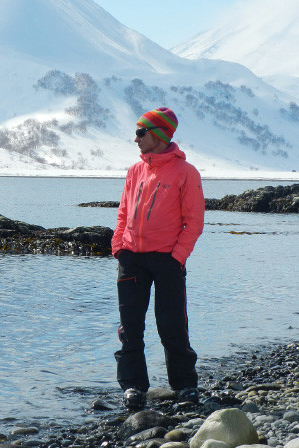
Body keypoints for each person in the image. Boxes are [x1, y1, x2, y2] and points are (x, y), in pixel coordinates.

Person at [111, 107, 205, 409]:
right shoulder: (134, 170)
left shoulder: (186, 173)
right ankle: (133, 388)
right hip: (131, 259)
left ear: (159, 135)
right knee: (130, 328)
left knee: (172, 325)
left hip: (167, 261)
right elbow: (123, 212)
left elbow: (195, 221)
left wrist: (177, 258)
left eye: (141, 132)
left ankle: (185, 386)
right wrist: (118, 246)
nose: (135, 138)